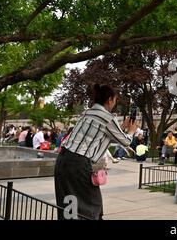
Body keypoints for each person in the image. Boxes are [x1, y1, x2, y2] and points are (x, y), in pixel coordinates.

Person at [54, 84, 137, 220]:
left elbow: (99, 135)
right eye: (115, 100)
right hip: (79, 164)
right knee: (91, 202)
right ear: (110, 100)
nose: (114, 103)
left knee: (67, 201)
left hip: (63, 159)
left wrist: (121, 128)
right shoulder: (108, 117)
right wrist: (132, 130)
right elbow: (126, 142)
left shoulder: (88, 112)